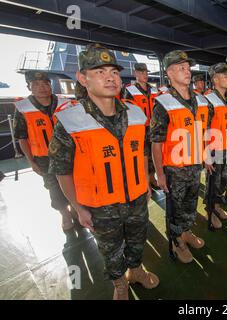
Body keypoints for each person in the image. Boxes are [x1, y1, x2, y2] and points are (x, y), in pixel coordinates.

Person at [49, 43, 159, 300]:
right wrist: (77, 207)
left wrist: (145, 183)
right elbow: (62, 171)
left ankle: (137, 270)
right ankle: (120, 283)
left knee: (137, 239)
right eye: (99, 71)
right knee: (110, 250)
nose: (110, 77)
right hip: (100, 205)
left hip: (135, 197)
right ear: (82, 78)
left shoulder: (135, 113)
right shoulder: (70, 120)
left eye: (114, 71)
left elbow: (142, 152)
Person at [151, 50, 212, 263]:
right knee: (175, 208)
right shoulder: (163, 103)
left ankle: (186, 231)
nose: (187, 72)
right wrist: (159, 174)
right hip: (174, 169)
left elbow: (201, 131)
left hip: (195, 165)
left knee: (190, 203)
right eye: (181, 68)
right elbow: (156, 142)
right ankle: (176, 241)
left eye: (188, 67)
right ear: (169, 72)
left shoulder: (199, 100)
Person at [13, 71, 74, 231]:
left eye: (46, 84)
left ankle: (75, 209)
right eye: (36, 85)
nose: (42, 88)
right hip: (44, 158)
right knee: (53, 186)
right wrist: (31, 161)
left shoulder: (65, 103)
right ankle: (65, 215)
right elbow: (22, 137)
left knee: (75, 183)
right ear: (29, 87)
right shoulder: (23, 109)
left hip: (70, 154)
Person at [204, 62, 227, 229]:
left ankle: (217, 205)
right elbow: (203, 129)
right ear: (215, 79)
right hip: (215, 150)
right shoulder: (208, 100)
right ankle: (210, 210)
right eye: (225, 75)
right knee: (213, 183)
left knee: (223, 180)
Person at [123, 62, 159, 188]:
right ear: (135, 74)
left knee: (153, 153)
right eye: (141, 72)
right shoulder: (129, 91)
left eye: (146, 72)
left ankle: (152, 178)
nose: (145, 75)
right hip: (139, 128)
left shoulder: (154, 90)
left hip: (153, 127)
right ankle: (145, 180)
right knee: (142, 154)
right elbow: (126, 110)